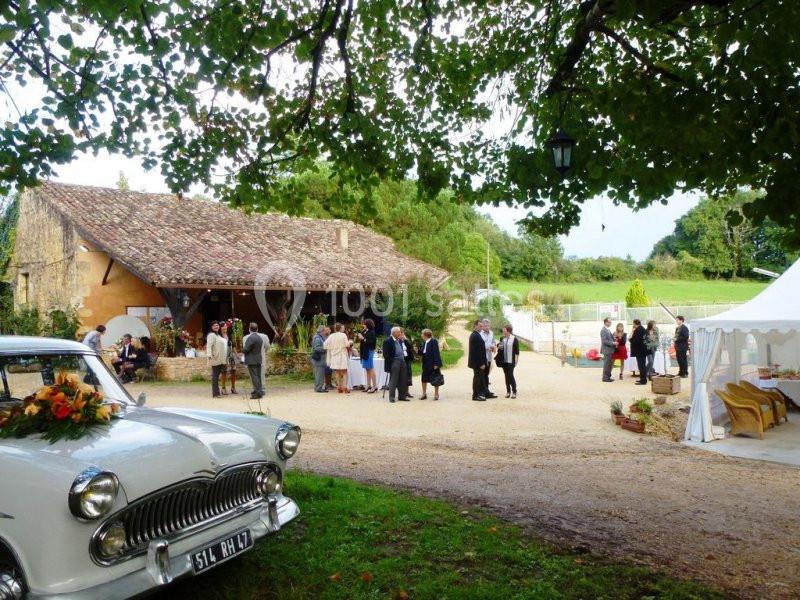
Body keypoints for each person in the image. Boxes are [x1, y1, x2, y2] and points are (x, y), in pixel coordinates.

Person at [382, 326, 409, 402]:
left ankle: (402, 396)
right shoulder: (388, 341)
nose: (400, 333)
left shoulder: (399, 340)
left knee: (403, 379)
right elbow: (385, 354)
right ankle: (392, 397)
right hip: (394, 362)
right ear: (394, 333)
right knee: (393, 379)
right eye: (399, 332)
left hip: (402, 361)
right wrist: (392, 362)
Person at [324, 323, 352, 393]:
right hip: (342, 355)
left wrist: (331, 348)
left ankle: (339, 387)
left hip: (334, 356)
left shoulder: (331, 336)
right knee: (345, 372)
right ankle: (345, 386)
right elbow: (347, 344)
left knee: (337, 372)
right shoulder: (343, 335)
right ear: (340, 328)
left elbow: (325, 345)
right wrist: (351, 342)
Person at [242, 322, 265, 399]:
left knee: (254, 377)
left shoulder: (250, 338)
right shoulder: (259, 338)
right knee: (258, 376)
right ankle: (259, 390)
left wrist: (242, 350)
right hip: (258, 359)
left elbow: (246, 349)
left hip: (252, 360)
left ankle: (258, 393)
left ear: (249, 329)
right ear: (257, 329)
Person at [420, 329, 442, 400]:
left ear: (425, 335)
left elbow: (436, 353)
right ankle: (424, 394)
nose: (421, 335)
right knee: (424, 379)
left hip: (433, 364)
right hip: (426, 363)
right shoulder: (425, 342)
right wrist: (418, 351)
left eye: (422, 334)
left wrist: (436, 364)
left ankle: (436, 394)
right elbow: (424, 352)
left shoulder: (433, 341)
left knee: (436, 379)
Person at [468, 320, 488, 401]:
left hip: (477, 362)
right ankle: (475, 395)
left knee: (478, 378)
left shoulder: (476, 334)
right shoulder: (475, 336)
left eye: (482, 326)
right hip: (477, 363)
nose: (481, 327)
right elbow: (476, 352)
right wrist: (481, 363)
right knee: (477, 379)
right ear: (475, 326)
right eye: (480, 326)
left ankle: (478, 394)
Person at [206, 321, 227, 398]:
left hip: (220, 359)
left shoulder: (218, 335)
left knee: (217, 375)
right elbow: (208, 346)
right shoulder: (211, 335)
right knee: (215, 376)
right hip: (215, 358)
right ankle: (215, 393)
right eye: (214, 325)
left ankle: (217, 392)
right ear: (212, 327)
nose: (216, 327)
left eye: (217, 325)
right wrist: (209, 355)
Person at [498, 324, 520, 398]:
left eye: (504, 329)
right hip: (504, 360)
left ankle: (514, 391)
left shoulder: (514, 339)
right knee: (506, 375)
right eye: (503, 329)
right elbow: (500, 348)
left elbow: (517, 351)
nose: (503, 331)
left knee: (510, 375)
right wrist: (498, 346)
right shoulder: (502, 338)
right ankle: (508, 391)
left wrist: (516, 360)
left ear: (508, 331)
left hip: (511, 361)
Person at [358, 319, 378, 393]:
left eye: (364, 324)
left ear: (367, 324)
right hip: (364, 351)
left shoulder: (372, 332)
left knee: (370, 367)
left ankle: (374, 386)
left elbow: (371, 342)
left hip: (369, 351)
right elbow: (363, 337)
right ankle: (368, 385)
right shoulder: (365, 331)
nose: (363, 325)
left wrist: (363, 338)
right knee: (367, 368)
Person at [218, 322, 238, 395]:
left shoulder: (230, 335)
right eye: (223, 326)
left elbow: (234, 345)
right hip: (223, 355)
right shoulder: (218, 336)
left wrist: (236, 354)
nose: (225, 327)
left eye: (226, 326)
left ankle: (233, 387)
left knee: (233, 370)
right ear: (220, 328)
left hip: (231, 355)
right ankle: (223, 388)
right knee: (224, 371)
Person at [480, 319, 498, 398]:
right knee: (482, 375)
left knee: (486, 375)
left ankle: (486, 391)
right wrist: (487, 348)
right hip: (482, 357)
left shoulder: (491, 333)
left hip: (489, 357)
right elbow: (479, 346)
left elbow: (494, 342)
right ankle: (482, 392)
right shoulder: (480, 334)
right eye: (485, 326)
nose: (487, 327)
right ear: (482, 326)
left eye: (488, 325)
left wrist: (494, 346)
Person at [310, 325, 330, 393]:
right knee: (319, 374)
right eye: (324, 330)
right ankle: (319, 388)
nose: (325, 332)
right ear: (322, 331)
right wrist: (325, 349)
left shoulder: (320, 337)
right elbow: (317, 348)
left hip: (320, 359)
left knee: (319, 374)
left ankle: (318, 387)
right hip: (319, 359)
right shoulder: (318, 338)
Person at [629, 319, 648, 385]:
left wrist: (630, 339)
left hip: (639, 351)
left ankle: (643, 380)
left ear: (634, 323)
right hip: (642, 351)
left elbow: (635, 341)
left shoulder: (638, 330)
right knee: (642, 365)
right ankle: (642, 379)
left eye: (633, 324)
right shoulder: (642, 328)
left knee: (641, 366)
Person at [401, 328, 416, 397]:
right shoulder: (397, 341)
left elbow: (410, 347)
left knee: (408, 375)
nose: (403, 335)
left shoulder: (406, 340)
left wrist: (406, 340)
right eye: (402, 333)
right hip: (401, 360)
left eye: (403, 333)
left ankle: (407, 391)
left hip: (407, 360)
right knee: (402, 376)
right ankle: (402, 392)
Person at [600, 318, 616, 382]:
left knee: (609, 364)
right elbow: (604, 341)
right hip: (607, 350)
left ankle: (608, 377)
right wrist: (613, 343)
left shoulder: (608, 330)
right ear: (606, 322)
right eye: (609, 322)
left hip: (610, 350)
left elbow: (609, 339)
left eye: (610, 322)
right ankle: (605, 378)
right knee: (607, 364)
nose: (610, 323)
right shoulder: (603, 330)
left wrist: (614, 340)